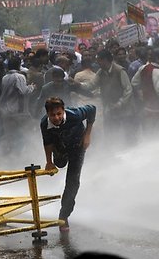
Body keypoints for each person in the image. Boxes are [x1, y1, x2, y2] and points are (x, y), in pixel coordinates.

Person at [40, 97, 96, 232]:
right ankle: (58, 159)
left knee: (73, 181)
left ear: (63, 111)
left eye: (59, 113)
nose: (57, 117)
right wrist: (49, 162)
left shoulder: (75, 114)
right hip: (60, 146)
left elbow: (92, 109)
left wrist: (87, 134)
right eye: (53, 115)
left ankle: (64, 216)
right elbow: (47, 142)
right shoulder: (44, 124)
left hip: (77, 145)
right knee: (60, 164)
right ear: (48, 114)